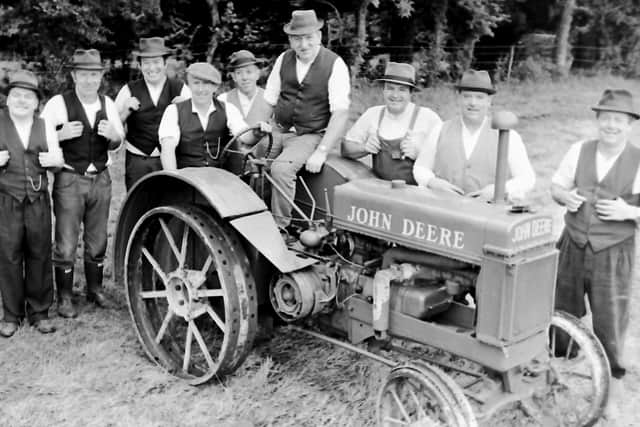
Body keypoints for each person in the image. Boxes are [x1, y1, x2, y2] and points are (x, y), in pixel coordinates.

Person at [552, 89, 640, 379]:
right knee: (561, 307)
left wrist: (630, 213)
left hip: (614, 251)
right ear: (597, 120)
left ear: (630, 124)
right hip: (573, 243)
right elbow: (556, 187)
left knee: (610, 317)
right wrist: (565, 197)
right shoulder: (579, 150)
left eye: (619, 120)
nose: (611, 125)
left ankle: (610, 379)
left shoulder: (638, 160)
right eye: (606, 118)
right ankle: (559, 362)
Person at [41, 49, 125, 319]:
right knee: (66, 241)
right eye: (84, 74)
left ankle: (95, 289)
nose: (89, 80)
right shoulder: (58, 104)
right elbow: (40, 139)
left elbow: (118, 141)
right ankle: (65, 296)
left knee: (98, 238)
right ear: (74, 75)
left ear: (100, 77)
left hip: (101, 177)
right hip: (69, 178)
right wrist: (59, 133)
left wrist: (114, 136)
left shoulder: (108, 103)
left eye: (94, 75)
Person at [263, 9, 350, 228]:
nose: (303, 44)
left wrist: (322, 151)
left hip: (310, 134)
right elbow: (269, 99)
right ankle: (254, 217)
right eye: (297, 39)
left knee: (281, 169)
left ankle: (279, 228)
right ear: (290, 40)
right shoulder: (284, 59)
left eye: (308, 37)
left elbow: (341, 113)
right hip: (280, 129)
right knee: (251, 158)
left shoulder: (334, 64)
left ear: (319, 36)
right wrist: (257, 128)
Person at [0, 70, 64, 336]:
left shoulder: (44, 125)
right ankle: (11, 314)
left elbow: (58, 159)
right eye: (17, 95)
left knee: (39, 252)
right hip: (7, 199)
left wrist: (56, 162)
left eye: (28, 96)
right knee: (9, 254)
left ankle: (39, 312)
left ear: (36, 102)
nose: (22, 101)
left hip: (38, 200)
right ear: (8, 99)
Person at [413, 69, 535, 201]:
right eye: (467, 96)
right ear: (459, 98)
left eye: (479, 97)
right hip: (445, 211)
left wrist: (499, 190)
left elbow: (527, 178)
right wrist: (432, 182)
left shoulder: (508, 136)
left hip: (490, 215)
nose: (473, 103)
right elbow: (420, 167)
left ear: (489, 101)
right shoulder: (440, 130)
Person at [341, 62, 441, 184]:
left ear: (411, 93)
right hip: (381, 190)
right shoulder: (373, 114)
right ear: (383, 90)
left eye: (402, 90)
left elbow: (447, 162)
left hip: (417, 194)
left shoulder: (428, 118)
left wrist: (420, 154)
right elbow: (345, 149)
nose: (395, 95)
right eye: (390, 88)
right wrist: (365, 147)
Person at [158, 62, 267, 170]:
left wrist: (256, 132)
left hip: (218, 178)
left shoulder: (228, 109)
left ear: (215, 87)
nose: (201, 89)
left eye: (206, 84)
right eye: (196, 83)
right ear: (188, 85)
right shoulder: (173, 111)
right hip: (187, 178)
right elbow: (168, 149)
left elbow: (244, 136)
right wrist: (174, 178)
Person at [115, 37, 191, 190]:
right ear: (140, 65)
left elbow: (195, 126)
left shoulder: (181, 89)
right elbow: (114, 129)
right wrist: (125, 111)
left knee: (170, 204)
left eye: (156, 62)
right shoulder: (128, 90)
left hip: (171, 160)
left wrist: (185, 109)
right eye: (147, 63)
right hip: (137, 161)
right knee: (138, 207)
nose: (152, 68)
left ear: (164, 63)